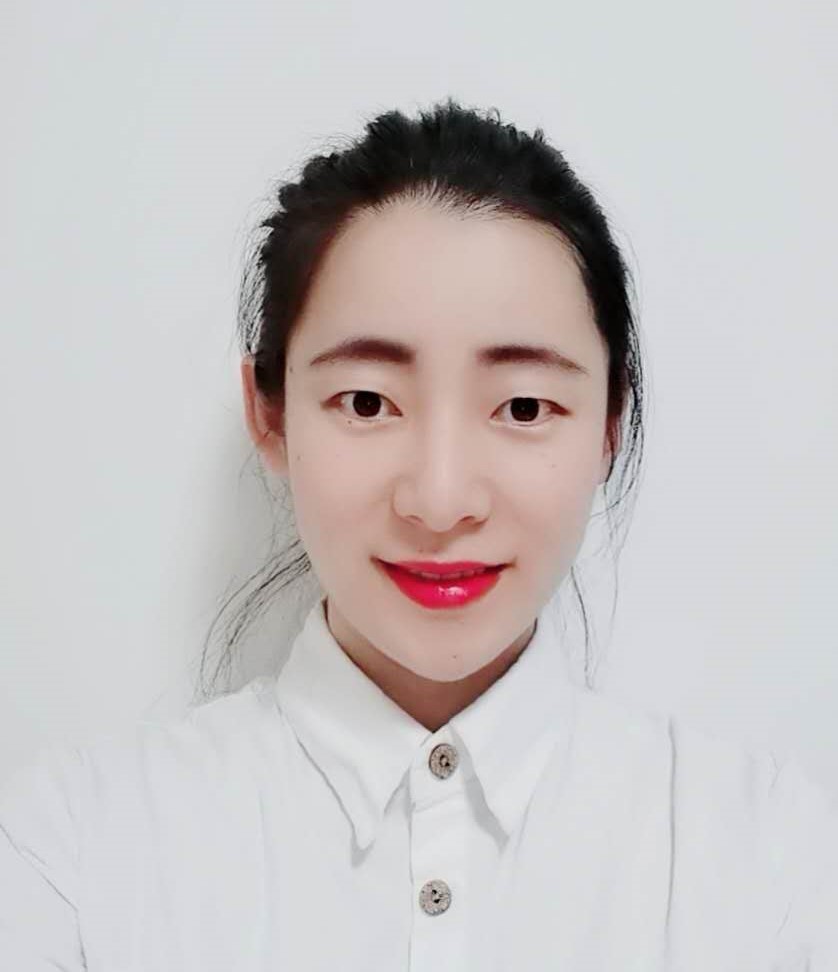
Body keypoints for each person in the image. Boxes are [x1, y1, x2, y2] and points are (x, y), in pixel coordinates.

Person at [1, 98, 836, 971]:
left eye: (523, 407)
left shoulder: (772, 863)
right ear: (269, 413)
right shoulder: (74, 855)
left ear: (609, 423)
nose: (440, 502)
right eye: (367, 402)